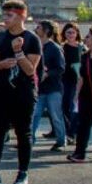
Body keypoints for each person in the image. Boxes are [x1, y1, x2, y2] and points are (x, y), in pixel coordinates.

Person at [0, 0, 41, 184]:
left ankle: (23, 173)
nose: (5, 19)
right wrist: (2, 64)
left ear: (21, 16)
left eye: (9, 15)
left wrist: (18, 53)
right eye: (4, 15)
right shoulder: (0, 37)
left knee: (23, 132)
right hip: (1, 91)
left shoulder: (32, 39)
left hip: (23, 92)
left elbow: (31, 70)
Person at [68, 25, 92, 163]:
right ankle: (79, 154)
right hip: (87, 96)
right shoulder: (85, 56)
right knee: (83, 125)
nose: (85, 39)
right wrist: (76, 95)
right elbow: (82, 77)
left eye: (88, 36)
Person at [30, 21, 66, 151]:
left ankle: (61, 141)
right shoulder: (36, 46)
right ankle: (29, 140)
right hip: (39, 89)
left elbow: (61, 68)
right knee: (34, 114)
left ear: (45, 31)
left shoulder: (55, 48)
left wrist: (47, 73)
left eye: (39, 27)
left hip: (53, 88)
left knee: (56, 115)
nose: (36, 29)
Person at [61, 22, 84, 143]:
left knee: (74, 108)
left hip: (78, 81)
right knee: (65, 107)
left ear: (77, 34)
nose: (70, 34)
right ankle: (68, 132)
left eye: (73, 32)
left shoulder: (82, 48)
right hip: (64, 80)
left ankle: (72, 133)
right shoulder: (62, 47)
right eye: (68, 32)